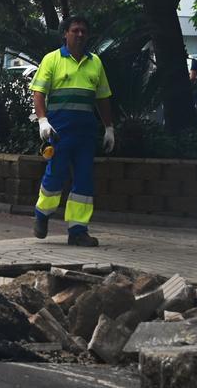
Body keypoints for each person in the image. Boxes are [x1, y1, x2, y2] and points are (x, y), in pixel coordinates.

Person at [30, 16, 114, 247]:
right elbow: (38, 92)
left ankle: (78, 230)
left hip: (86, 132)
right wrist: (42, 121)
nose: (80, 35)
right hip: (59, 130)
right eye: (75, 30)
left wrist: (109, 128)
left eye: (83, 31)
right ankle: (42, 214)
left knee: (84, 180)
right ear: (65, 34)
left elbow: (103, 97)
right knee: (55, 175)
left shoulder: (95, 62)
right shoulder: (52, 59)